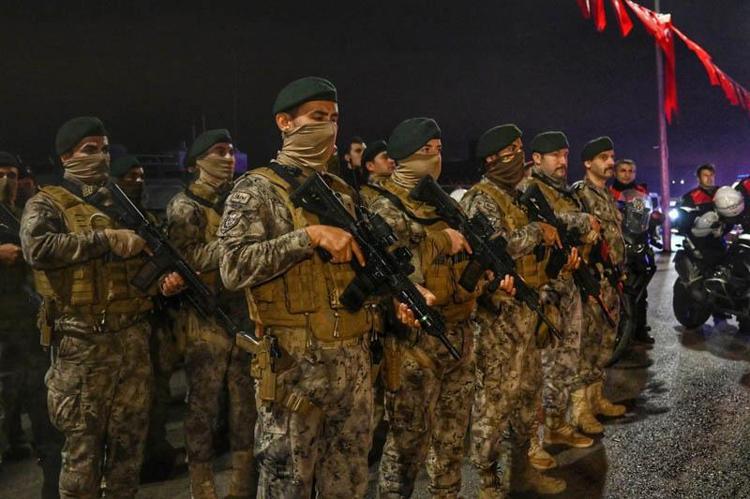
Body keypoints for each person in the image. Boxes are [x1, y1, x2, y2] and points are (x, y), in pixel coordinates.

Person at [217, 77, 422, 497]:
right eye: (317, 117)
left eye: (333, 118)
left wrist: (398, 296)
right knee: (287, 483)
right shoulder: (255, 190)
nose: (328, 127)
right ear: (285, 123)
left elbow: (365, 266)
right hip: (295, 371)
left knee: (348, 482)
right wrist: (307, 238)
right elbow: (233, 267)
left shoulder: (342, 191)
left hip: (352, 367)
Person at [19, 116, 184, 498]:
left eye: (105, 149)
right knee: (82, 454)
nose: (101, 157)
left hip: (132, 340)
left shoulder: (121, 201)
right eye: (89, 150)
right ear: (66, 157)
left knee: (129, 450)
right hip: (82, 343)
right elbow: (37, 249)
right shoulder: (47, 202)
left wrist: (163, 283)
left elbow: (141, 261)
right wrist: (105, 239)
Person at [370, 117, 479, 498]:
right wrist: (438, 241)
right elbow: (388, 268)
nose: (435, 158)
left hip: (459, 333)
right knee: (407, 444)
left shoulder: (442, 204)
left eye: (438, 149)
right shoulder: (384, 207)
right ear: (401, 158)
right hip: (413, 344)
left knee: (452, 438)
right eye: (425, 151)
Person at [461, 124, 566, 495]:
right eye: (512, 151)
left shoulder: (519, 196)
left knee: (527, 395)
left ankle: (523, 467)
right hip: (498, 319)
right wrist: (537, 231)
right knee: (494, 401)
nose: (519, 157)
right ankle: (488, 479)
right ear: (492, 159)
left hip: (527, 311)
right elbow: (497, 246)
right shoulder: (480, 199)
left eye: (521, 149)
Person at [166, 130, 256, 499]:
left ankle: (242, 484)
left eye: (231, 151)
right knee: (203, 407)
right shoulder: (185, 206)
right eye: (219, 152)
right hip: (205, 320)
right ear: (198, 161)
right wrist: (232, 244)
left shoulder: (240, 199)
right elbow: (185, 259)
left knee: (245, 405)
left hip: (242, 316)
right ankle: (202, 486)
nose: (228, 158)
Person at [519, 131, 602, 441]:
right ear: (537, 158)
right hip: (543, 288)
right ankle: (533, 439)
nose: (563, 161)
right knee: (542, 363)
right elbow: (541, 225)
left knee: (566, 359)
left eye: (565, 155)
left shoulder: (565, 191)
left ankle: (557, 424)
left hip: (568, 281)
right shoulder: (527, 188)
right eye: (555, 155)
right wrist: (581, 221)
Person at [0, 151, 63, 498]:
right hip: (3, 342)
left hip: (28, 334)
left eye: (11, 175)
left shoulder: (19, 215)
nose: (6, 181)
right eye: (0, 175)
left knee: (46, 419)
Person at [572, 137, 628, 426]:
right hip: (592, 281)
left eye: (611, 157)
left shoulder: (606, 194)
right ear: (587, 163)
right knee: (587, 345)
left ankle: (596, 398)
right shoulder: (580, 195)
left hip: (611, 281)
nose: (610, 163)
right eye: (604, 158)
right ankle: (580, 409)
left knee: (605, 342)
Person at [610, 158, 656, 344]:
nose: (627, 174)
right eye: (623, 170)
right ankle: (618, 331)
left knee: (641, 291)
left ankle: (640, 329)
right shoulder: (609, 193)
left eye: (631, 171)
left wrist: (654, 220)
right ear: (615, 173)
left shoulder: (639, 194)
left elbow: (642, 219)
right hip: (617, 246)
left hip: (637, 244)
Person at [358, 139, 395, 207]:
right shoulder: (368, 196)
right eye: (385, 157)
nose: (392, 160)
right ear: (370, 166)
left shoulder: (395, 185)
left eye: (391, 156)